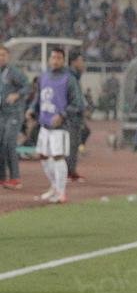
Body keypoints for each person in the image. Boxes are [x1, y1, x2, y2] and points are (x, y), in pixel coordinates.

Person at [24, 47, 83, 204]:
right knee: (43, 155)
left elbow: (77, 104)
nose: (55, 61)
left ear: (63, 61)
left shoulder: (69, 79)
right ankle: (54, 186)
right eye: (53, 58)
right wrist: (31, 109)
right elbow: (39, 97)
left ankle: (61, 193)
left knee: (58, 156)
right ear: (49, 60)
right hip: (44, 123)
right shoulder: (43, 77)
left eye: (58, 58)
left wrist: (62, 115)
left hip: (60, 126)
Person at [0, 45, 29, 189]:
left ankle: (15, 178)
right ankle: (2, 177)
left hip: (14, 113)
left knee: (9, 143)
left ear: (8, 56)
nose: (1, 58)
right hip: (2, 113)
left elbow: (27, 86)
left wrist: (16, 95)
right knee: (1, 143)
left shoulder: (14, 72)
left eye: (3, 55)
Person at [66, 50, 87, 182]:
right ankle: (68, 172)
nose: (83, 63)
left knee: (74, 145)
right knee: (70, 145)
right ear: (74, 62)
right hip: (70, 115)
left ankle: (71, 171)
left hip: (76, 115)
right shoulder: (69, 77)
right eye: (81, 61)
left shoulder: (75, 76)